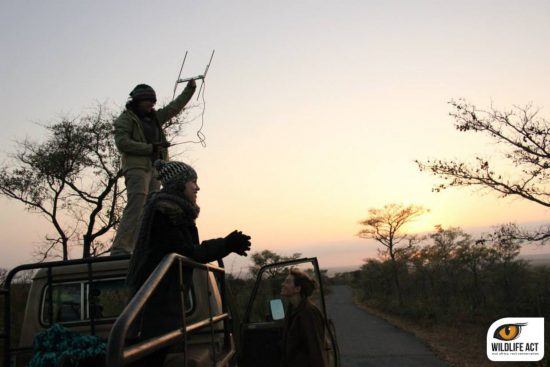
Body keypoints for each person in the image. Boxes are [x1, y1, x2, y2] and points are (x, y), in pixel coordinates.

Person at [126, 159, 252, 366]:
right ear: (179, 183)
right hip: (156, 309)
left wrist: (226, 244)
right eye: (193, 181)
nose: (197, 187)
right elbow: (188, 252)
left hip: (161, 306)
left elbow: (188, 250)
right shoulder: (165, 213)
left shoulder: (173, 210)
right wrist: (226, 244)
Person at [111, 80, 196, 256]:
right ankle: (120, 249)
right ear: (137, 101)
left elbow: (174, 107)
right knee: (136, 203)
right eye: (148, 100)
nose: (151, 104)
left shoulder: (155, 118)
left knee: (150, 209)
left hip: (155, 170)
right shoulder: (125, 119)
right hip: (136, 167)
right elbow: (122, 143)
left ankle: (138, 248)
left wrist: (189, 89)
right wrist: (151, 148)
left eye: (153, 101)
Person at [280, 268, 328, 367]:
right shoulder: (292, 309)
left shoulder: (308, 313)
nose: (283, 284)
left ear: (298, 289)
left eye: (287, 282)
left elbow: (316, 350)